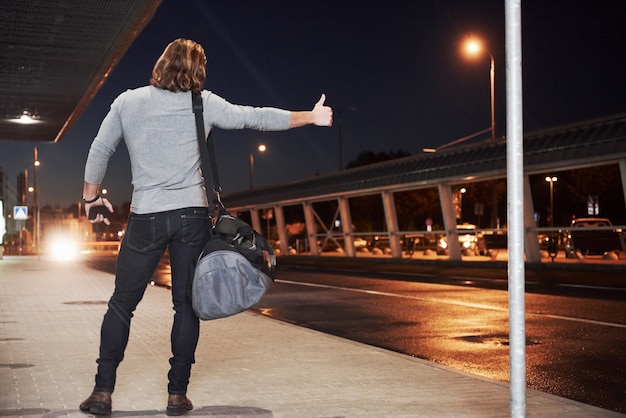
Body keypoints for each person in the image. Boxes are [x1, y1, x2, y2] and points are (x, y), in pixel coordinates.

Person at [79, 38, 332, 416]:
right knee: (186, 305)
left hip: (146, 214)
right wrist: (309, 117)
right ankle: (176, 396)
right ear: (198, 71)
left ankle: (101, 394)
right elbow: (256, 116)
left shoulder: (127, 102)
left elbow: (100, 149)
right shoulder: (204, 103)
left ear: (162, 63)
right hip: (191, 217)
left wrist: (90, 198)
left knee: (121, 304)